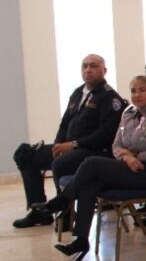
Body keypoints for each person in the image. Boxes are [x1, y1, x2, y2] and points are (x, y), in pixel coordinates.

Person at [36, 75, 146, 260]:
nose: (137, 94)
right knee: (88, 186)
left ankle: (62, 200)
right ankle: (80, 240)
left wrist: (138, 157)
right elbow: (116, 145)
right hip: (127, 166)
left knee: (92, 162)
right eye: (133, 90)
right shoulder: (128, 114)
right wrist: (126, 157)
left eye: (143, 90)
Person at [12, 53, 125, 228]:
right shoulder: (78, 93)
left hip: (94, 151)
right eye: (85, 66)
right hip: (69, 147)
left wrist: (73, 145)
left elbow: (106, 134)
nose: (88, 69)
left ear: (104, 70)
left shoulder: (110, 98)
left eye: (94, 66)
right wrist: (58, 145)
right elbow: (65, 123)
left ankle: (66, 212)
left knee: (61, 164)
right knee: (25, 155)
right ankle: (39, 210)